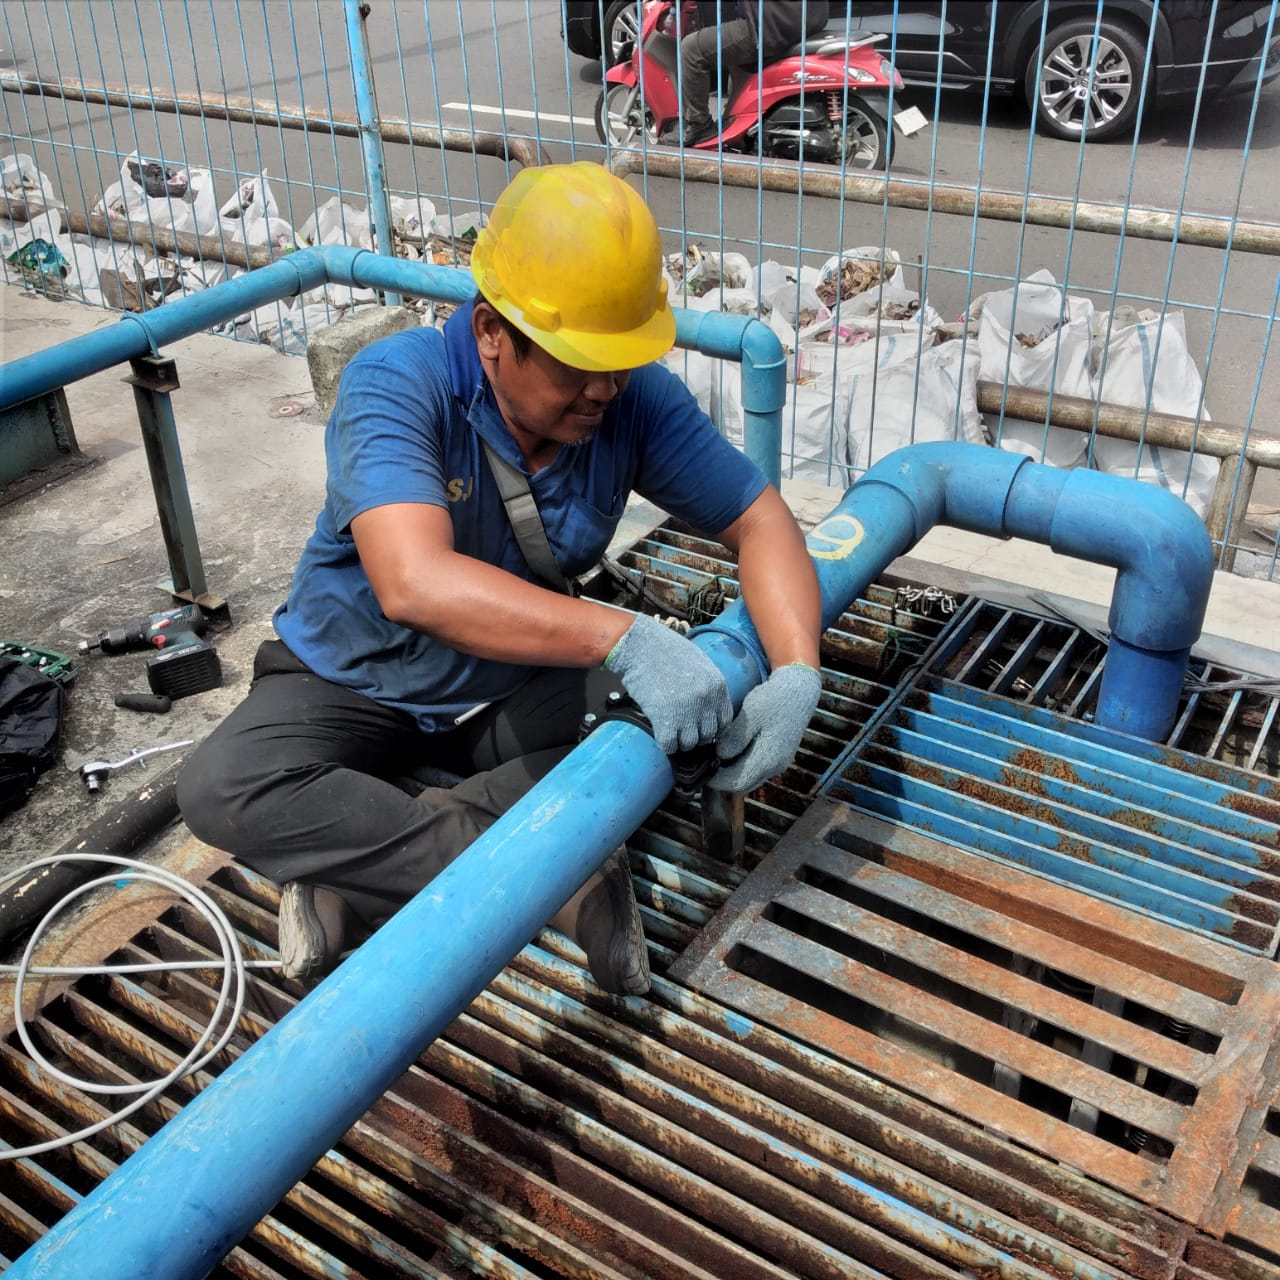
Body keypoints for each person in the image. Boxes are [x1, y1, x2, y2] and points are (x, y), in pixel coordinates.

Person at [177, 162, 822, 995]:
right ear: (490, 330)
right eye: (575, 363)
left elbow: (760, 521)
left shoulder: (631, 403)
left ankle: (353, 862)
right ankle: (561, 878)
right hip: (352, 683)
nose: (604, 388)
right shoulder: (400, 383)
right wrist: (624, 637)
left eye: (618, 361)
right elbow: (414, 582)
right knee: (225, 785)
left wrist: (799, 668)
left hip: (510, 691)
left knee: (693, 717)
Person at [666, 0, 831, 148]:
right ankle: (737, 124)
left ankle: (698, 124)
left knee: (690, 49)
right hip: (804, 18)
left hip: (773, 23)